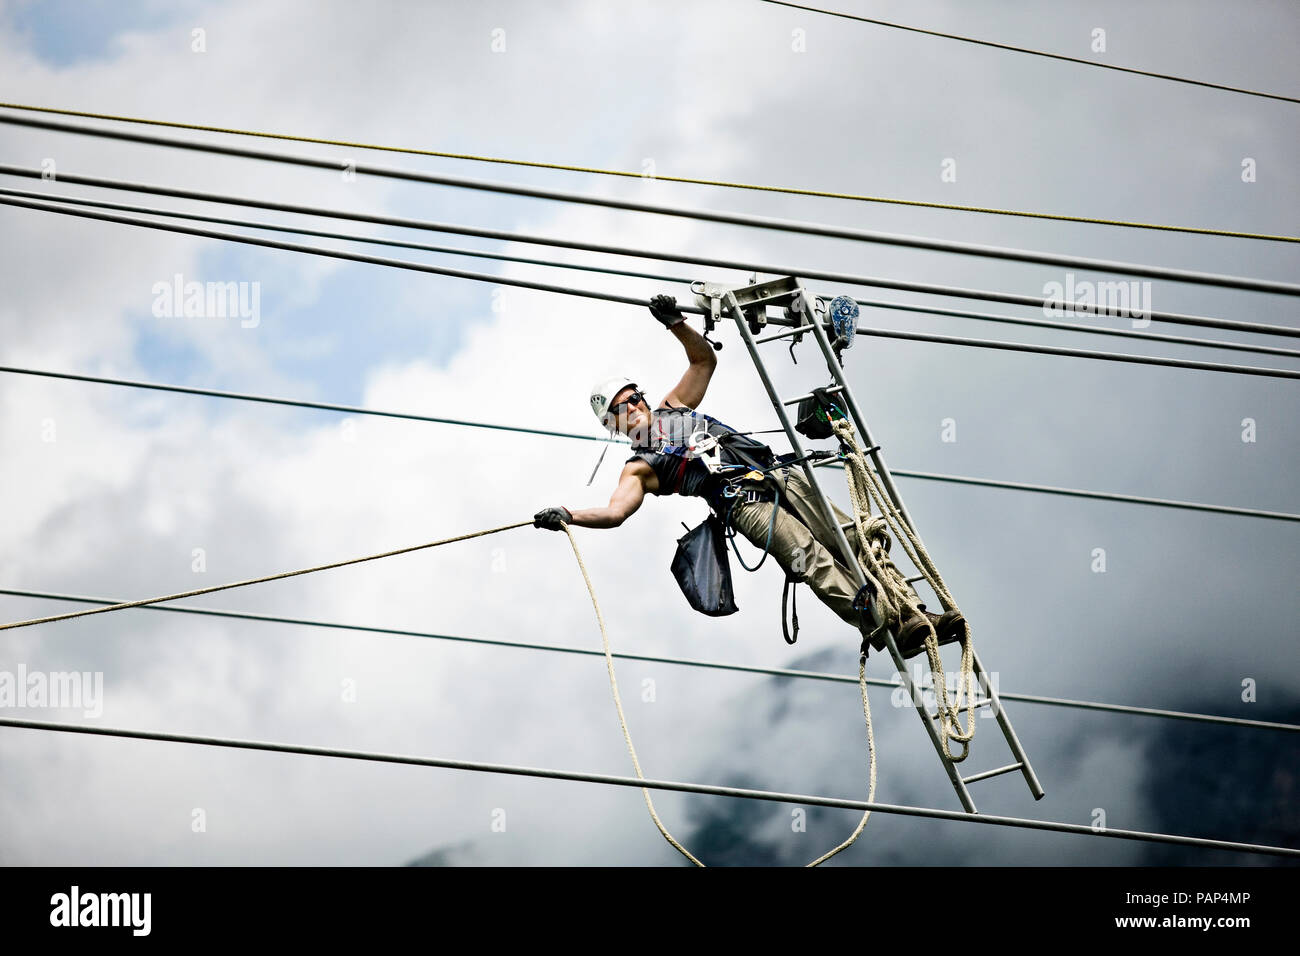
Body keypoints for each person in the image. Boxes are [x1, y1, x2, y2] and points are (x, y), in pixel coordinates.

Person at [533, 294, 963, 657]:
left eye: (636, 396)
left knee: (850, 537)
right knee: (809, 556)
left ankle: (916, 614)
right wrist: (569, 514)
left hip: (780, 473)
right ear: (613, 424)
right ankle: (880, 624)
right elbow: (615, 512)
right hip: (744, 504)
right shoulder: (639, 468)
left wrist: (676, 324)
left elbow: (704, 360)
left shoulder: (673, 407)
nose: (636, 406)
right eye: (623, 406)